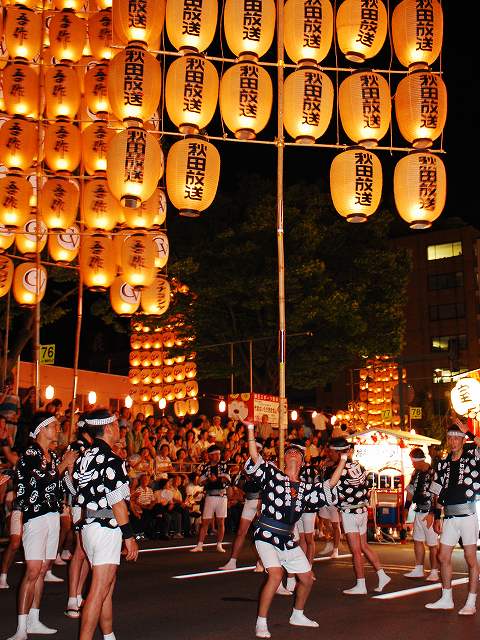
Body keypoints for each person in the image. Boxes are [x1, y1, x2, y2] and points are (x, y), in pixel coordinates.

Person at [244, 423, 347, 639]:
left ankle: (297, 614)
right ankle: (261, 622)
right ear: (284, 460)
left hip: (287, 538)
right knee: (275, 575)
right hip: (266, 534)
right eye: (289, 452)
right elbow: (254, 456)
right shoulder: (272, 475)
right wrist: (251, 429)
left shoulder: (305, 490)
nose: (292, 454)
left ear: (301, 462)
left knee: (307, 578)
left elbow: (330, 484)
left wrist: (344, 459)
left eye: (297, 454)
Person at [6, 411, 78, 640]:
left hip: (52, 515)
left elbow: (65, 487)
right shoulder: (30, 454)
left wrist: (70, 469)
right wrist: (63, 464)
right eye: (54, 426)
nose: (58, 429)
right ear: (42, 429)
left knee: (43, 568)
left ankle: (34, 620)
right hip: (35, 517)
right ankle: (21, 627)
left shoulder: (53, 456)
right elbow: (42, 481)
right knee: (33, 570)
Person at [69, 408, 138, 640]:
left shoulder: (84, 457)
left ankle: (109, 636)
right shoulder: (112, 460)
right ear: (108, 428)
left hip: (89, 525)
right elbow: (117, 502)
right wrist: (129, 536)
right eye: (117, 425)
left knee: (106, 585)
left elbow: (73, 487)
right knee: (99, 590)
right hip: (106, 526)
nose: (120, 429)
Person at [425, 418, 480, 615]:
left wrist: (470, 433)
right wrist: (435, 514)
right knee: (443, 556)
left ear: (463, 440)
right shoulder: (443, 463)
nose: (453, 441)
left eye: (457, 438)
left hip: (467, 515)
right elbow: (437, 491)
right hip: (449, 516)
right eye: (450, 438)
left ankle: (471, 602)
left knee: (470, 557)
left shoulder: (472, 456)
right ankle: (446, 598)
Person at [328, 437, 391, 595]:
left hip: (349, 512)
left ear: (338, 452)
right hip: (361, 511)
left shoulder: (339, 470)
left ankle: (361, 584)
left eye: (331, 451)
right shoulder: (358, 466)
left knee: (356, 551)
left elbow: (332, 487)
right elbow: (366, 487)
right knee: (364, 546)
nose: (330, 454)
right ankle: (382, 575)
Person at [64, 415, 94, 619]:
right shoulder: (76, 447)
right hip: (80, 503)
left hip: (94, 504)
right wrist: (75, 496)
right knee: (80, 550)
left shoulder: (96, 447)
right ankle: (72, 598)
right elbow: (68, 477)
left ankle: (79, 593)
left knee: (87, 552)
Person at [220, 440, 263, 571]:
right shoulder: (246, 464)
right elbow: (242, 484)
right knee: (241, 532)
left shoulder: (263, 464)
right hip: (249, 500)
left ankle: (261, 562)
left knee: (260, 534)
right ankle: (232, 561)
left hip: (260, 501)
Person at [403, 447, 439, 582]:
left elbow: (436, 495)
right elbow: (410, 490)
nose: (412, 464)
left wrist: (433, 513)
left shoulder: (433, 472)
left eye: (413, 462)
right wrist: (406, 508)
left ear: (418, 461)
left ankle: (434, 571)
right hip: (418, 510)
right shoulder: (415, 473)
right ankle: (418, 569)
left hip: (429, 512)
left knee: (432, 544)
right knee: (418, 540)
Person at [190, 444, 231, 553]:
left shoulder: (224, 465)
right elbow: (200, 481)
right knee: (205, 521)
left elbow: (227, 479)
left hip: (222, 496)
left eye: (219, 454)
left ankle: (219, 544)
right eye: (216, 454)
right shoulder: (205, 467)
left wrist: (215, 479)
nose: (218, 456)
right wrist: (210, 480)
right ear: (210, 456)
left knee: (221, 521)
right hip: (210, 496)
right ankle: (200, 545)